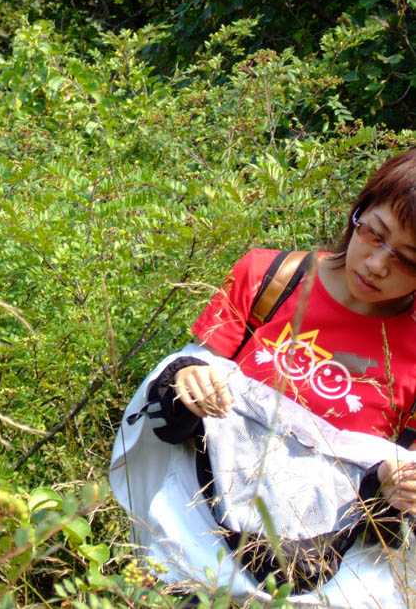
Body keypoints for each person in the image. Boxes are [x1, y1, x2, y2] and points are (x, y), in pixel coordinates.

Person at [110, 148, 416, 604]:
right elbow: (190, 374)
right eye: (374, 233)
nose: (377, 264)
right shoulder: (270, 278)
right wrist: (187, 378)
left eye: (408, 259)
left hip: (317, 572)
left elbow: (402, 484)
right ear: (357, 212)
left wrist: (397, 484)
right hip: (191, 542)